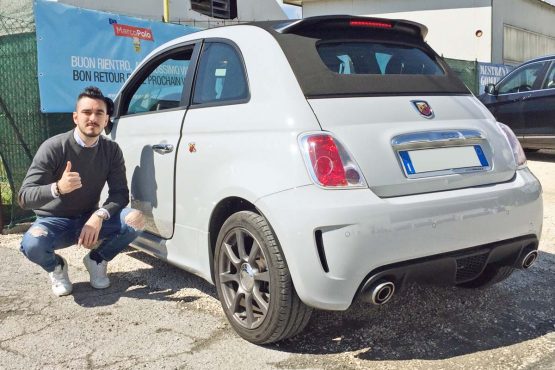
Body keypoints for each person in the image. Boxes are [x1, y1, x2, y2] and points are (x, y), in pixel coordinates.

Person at [18, 86, 144, 296]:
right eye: (86, 112)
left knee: (136, 219)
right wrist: (58, 188)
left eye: (99, 113)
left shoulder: (111, 150)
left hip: (88, 218)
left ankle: (97, 260)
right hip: (54, 221)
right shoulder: (54, 147)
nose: (92, 118)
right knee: (32, 244)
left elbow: (120, 193)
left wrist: (99, 216)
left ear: (106, 120)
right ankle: (56, 267)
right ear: (75, 117)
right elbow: (24, 197)